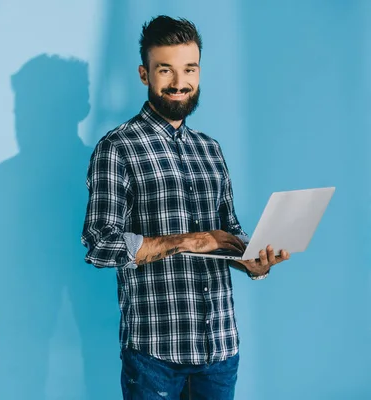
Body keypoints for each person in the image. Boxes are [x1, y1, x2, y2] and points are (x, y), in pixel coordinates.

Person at [80, 16, 290, 400]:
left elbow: (227, 229)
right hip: (155, 355)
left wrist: (251, 262)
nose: (179, 82)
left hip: (220, 348)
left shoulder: (210, 149)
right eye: (166, 70)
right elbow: (99, 244)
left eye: (189, 69)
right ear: (145, 75)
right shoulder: (118, 147)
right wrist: (186, 241)